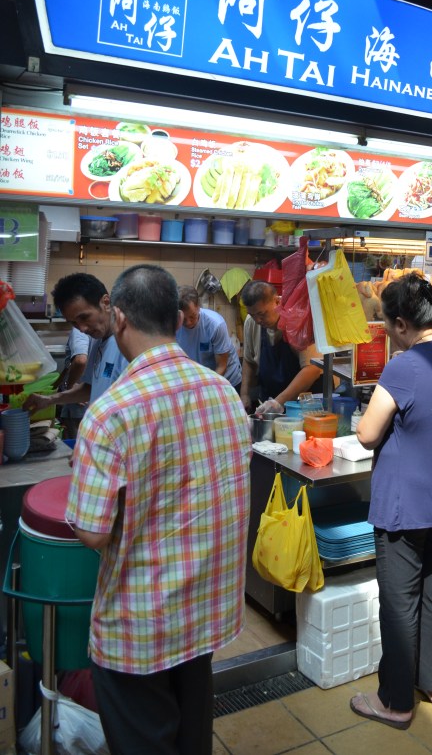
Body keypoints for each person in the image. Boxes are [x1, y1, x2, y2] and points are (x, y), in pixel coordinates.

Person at [66, 264, 251, 755]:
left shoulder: (110, 413)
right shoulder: (225, 396)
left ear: (120, 317)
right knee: (192, 738)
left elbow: (93, 532)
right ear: (174, 318)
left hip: (140, 627)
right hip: (203, 613)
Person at [349, 273, 432, 730]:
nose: (384, 331)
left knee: (399, 603)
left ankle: (396, 702)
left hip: (406, 507)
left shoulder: (404, 366)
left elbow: (366, 434)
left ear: (402, 323)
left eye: (385, 323)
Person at [23, 273, 128, 414]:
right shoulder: (99, 341)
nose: (82, 328)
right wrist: (50, 399)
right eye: (73, 323)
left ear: (105, 303)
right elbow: (90, 388)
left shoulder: (127, 345)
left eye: (84, 317)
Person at [239, 279, 322, 414]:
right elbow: (249, 360)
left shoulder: (298, 318)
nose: (257, 320)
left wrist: (278, 402)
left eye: (262, 314)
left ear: (277, 301)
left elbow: (312, 369)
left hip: (304, 407)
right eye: (252, 315)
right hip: (269, 402)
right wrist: (244, 395)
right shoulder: (252, 322)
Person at [176, 285, 242, 394]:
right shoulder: (173, 325)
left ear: (198, 306)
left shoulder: (215, 325)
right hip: (198, 380)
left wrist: (204, 389)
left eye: (192, 317)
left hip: (227, 380)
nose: (188, 323)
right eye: (184, 319)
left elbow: (222, 366)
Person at [58, 327, 90, 439]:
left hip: (78, 400)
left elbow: (80, 360)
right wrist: (58, 383)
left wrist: (71, 387)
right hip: (83, 396)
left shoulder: (79, 330)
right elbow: (70, 365)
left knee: (76, 441)